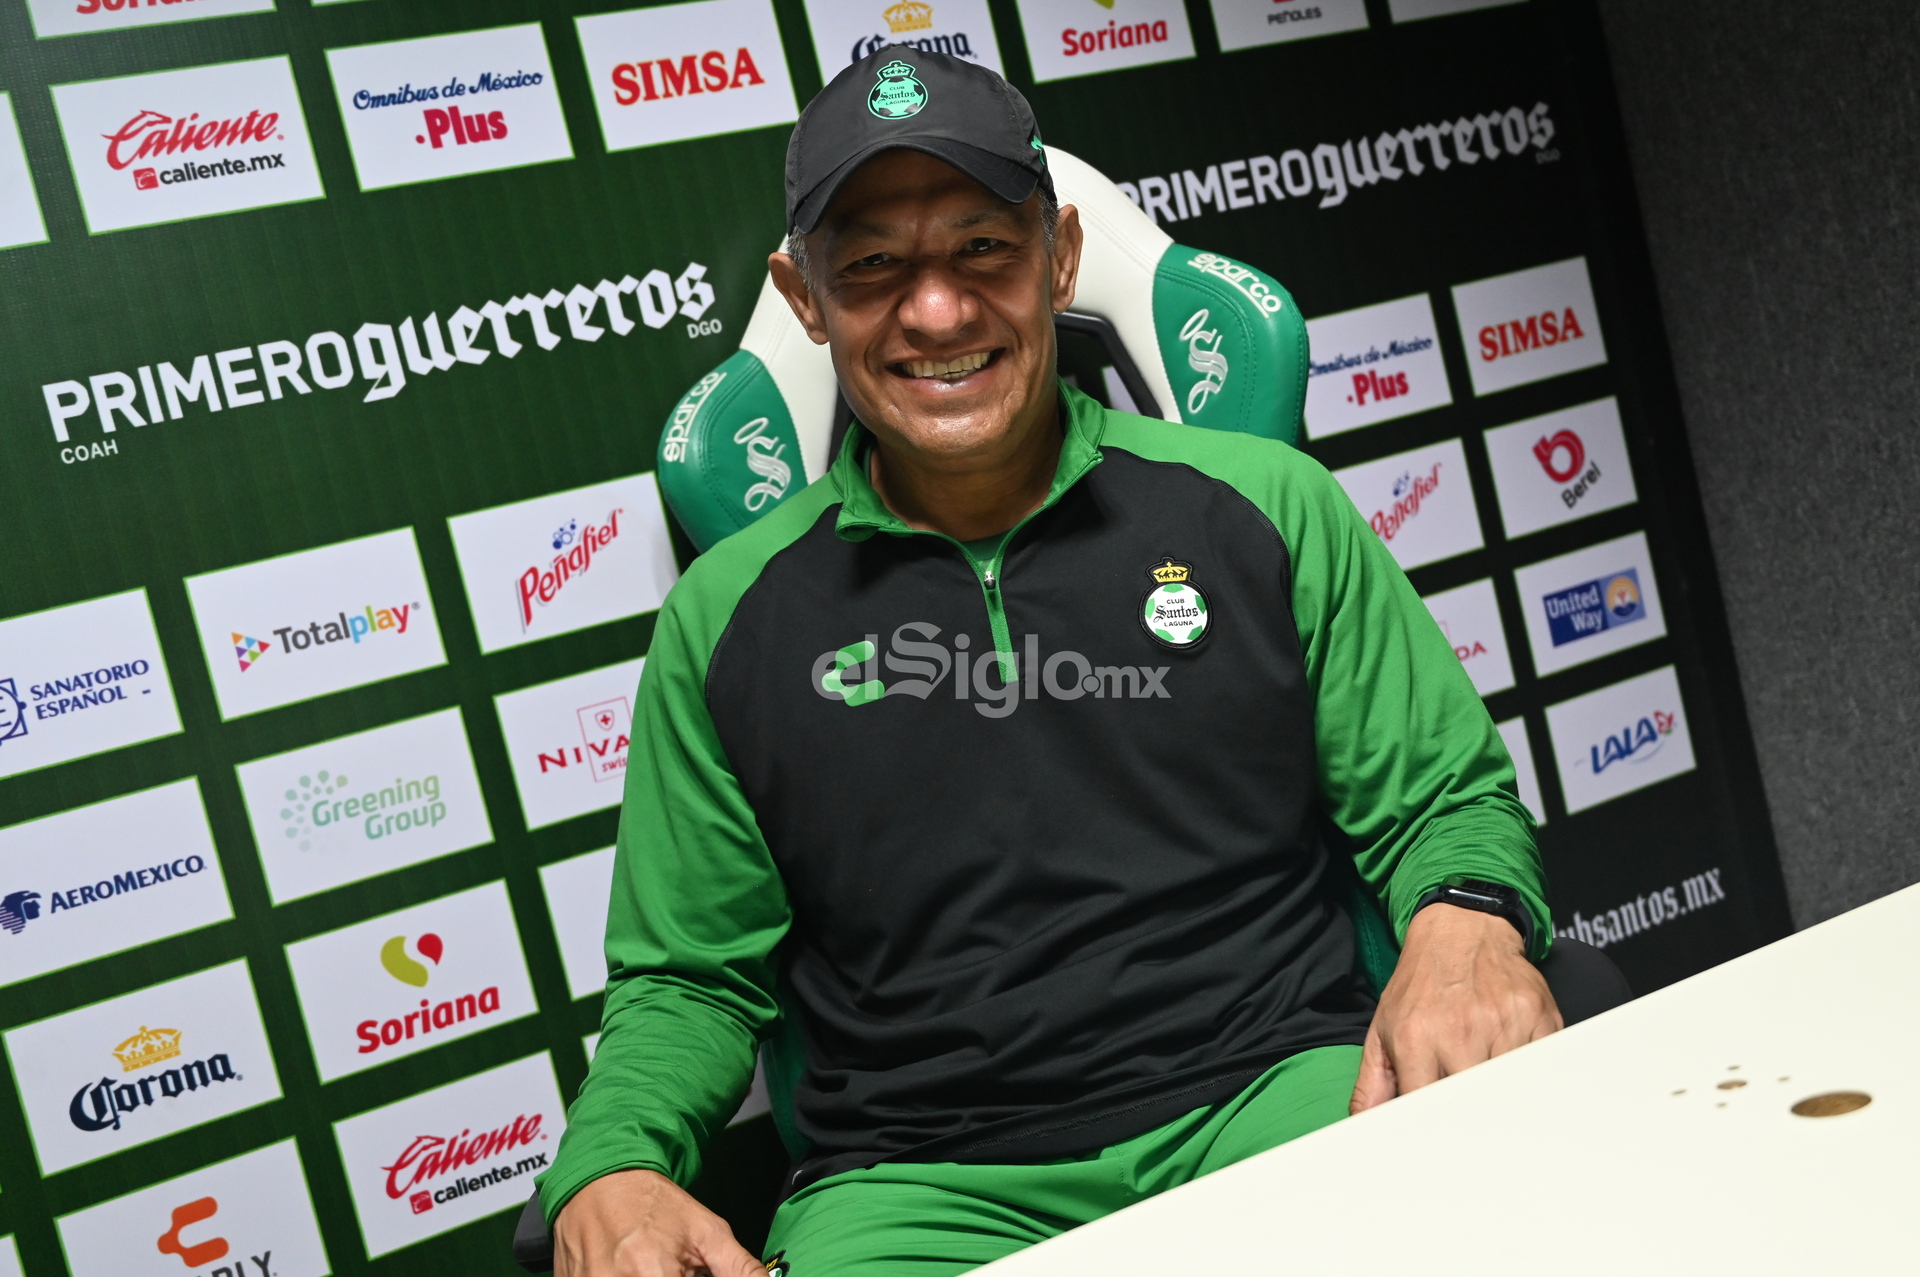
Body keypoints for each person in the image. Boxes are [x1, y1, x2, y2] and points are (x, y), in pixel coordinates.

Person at [541, 48, 1558, 1277]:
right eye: (873, 266)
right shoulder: (724, 615)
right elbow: (688, 979)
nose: (937, 312)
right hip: (917, 1187)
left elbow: (1441, 799)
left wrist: (1465, 918)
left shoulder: (1267, 505)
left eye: (983, 248)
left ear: (1060, 256)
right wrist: (613, 1161)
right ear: (805, 298)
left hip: (1271, 1093)